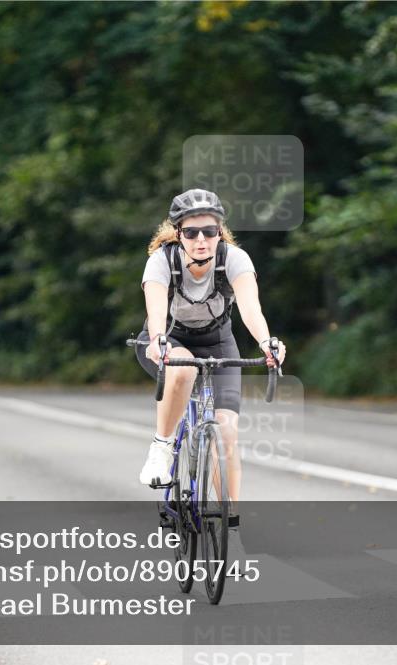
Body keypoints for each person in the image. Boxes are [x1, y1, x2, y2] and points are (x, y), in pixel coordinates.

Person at [134, 188, 286, 556]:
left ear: (220, 231)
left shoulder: (234, 259)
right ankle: (162, 447)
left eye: (210, 231)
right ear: (177, 233)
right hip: (168, 340)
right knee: (183, 372)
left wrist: (267, 343)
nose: (201, 240)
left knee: (228, 431)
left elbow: (251, 309)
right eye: (191, 233)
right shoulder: (161, 262)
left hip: (218, 344)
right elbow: (156, 312)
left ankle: (231, 531)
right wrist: (157, 340)